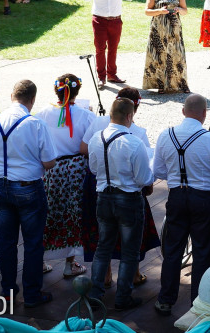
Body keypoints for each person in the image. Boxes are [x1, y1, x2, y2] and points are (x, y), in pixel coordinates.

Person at [153, 94, 210, 316]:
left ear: (182, 111)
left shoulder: (165, 135)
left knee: (172, 250)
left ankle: (165, 299)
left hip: (177, 196)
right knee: (202, 251)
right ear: (205, 114)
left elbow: (158, 172)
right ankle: (198, 304)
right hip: (204, 199)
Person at [0, 80, 57, 308]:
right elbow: (49, 162)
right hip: (28, 188)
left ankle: (7, 291)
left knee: (6, 241)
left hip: (0, 187)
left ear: (11, 95)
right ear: (32, 100)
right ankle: (32, 294)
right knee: (33, 243)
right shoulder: (35, 124)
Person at [79, 87, 159, 289]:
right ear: (130, 115)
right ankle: (125, 293)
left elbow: (93, 168)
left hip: (102, 195)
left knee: (103, 245)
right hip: (128, 197)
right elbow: (143, 178)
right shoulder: (136, 138)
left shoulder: (97, 136)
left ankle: (97, 289)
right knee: (130, 248)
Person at [36, 74, 96, 279]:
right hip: (76, 169)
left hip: (51, 168)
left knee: (49, 212)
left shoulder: (43, 114)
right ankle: (70, 264)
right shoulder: (87, 115)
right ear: (77, 92)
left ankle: (40, 260)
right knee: (73, 213)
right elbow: (91, 145)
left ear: (56, 91)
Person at [83, 0, 134, 87]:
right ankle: (101, 77)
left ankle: (112, 74)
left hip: (115, 20)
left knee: (113, 48)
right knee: (100, 49)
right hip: (99, 19)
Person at [143, 0, 190, 93]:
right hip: (158, 31)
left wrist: (179, 10)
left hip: (174, 31)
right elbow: (147, 11)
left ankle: (181, 84)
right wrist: (159, 11)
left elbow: (185, 11)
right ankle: (161, 84)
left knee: (177, 56)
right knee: (159, 56)